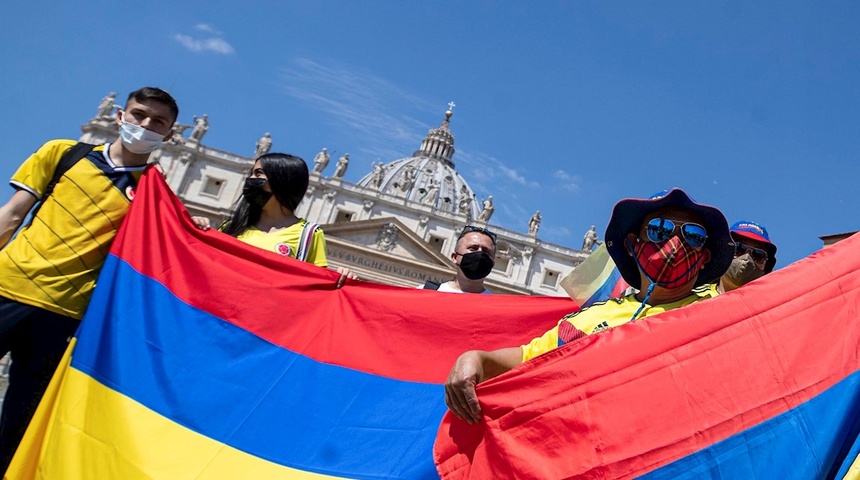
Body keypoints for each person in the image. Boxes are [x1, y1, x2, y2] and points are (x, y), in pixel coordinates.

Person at [0, 87, 178, 469]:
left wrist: (189, 226)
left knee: (17, 426)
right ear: (119, 115)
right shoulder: (64, 153)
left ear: (170, 135)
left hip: (65, 314)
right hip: (7, 286)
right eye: (139, 114)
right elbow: (11, 215)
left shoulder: (154, 194)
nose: (145, 125)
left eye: (157, 122)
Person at [444, 188, 734, 424]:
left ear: (705, 256)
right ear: (633, 244)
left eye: (692, 236)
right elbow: (528, 359)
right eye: (659, 230)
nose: (675, 242)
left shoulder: (723, 313)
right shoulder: (588, 319)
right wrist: (477, 358)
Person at [192, 153, 355, 286]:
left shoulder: (309, 235)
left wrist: (342, 279)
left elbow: (318, 288)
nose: (250, 179)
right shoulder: (231, 227)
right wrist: (193, 230)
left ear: (282, 181)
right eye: (251, 173)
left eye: (258, 174)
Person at [420, 226, 496, 294]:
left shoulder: (496, 306)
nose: (480, 253)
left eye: (486, 251)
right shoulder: (423, 293)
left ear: (492, 264)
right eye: (473, 248)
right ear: (455, 257)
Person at [718, 220, 777, 293]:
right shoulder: (700, 297)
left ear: (766, 268)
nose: (747, 257)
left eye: (758, 255)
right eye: (738, 248)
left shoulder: (771, 303)